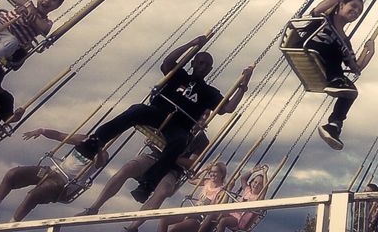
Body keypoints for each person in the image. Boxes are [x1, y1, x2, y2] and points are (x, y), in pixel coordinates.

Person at [73, 36, 250, 203]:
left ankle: (148, 184)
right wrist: (191, 44)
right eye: (200, 63)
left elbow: (228, 108)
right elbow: (167, 62)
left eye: (207, 66)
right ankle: (95, 142)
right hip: (158, 113)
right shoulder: (179, 74)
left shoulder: (209, 92)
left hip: (179, 125)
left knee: (180, 141)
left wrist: (242, 86)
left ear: (210, 70)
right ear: (193, 63)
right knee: (136, 110)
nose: (203, 67)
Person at [0, 126, 108, 223]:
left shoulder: (103, 154)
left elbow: (100, 163)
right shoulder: (82, 139)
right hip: (52, 171)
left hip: (64, 184)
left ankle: (10, 226)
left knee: (33, 195)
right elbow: (59, 135)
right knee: (12, 174)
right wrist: (42, 130)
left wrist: (98, 150)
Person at [79, 117, 213, 219]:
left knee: (163, 191)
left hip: (173, 169)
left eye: (206, 116)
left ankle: (133, 226)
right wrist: (153, 141)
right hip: (154, 157)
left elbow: (192, 163)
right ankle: (94, 207)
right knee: (127, 168)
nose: (203, 118)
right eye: (202, 115)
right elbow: (157, 137)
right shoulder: (176, 125)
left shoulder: (201, 140)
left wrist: (171, 156)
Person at [305, 0, 376, 151]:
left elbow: (355, 67)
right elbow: (316, 10)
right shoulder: (323, 20)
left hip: (329, 70)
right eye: (354, 6)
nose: (356, 12)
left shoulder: (345, 41)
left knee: (352, 92)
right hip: (313, 53)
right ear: (342, 5)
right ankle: (335, 81)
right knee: (334, 46)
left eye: (360, 10)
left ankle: (333, 126)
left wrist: (370, 52)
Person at [156, 161, 229, 232]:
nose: (212, 174)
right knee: (164, 220)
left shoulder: (221, 191)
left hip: (199, 218)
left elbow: (220, 209)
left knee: (174, 229)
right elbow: (191, 180)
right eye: (211, 172)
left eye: (215, 172)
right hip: (192, 211)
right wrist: (203, 170)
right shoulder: (207, 182)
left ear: (222, 174)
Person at [200, 168, 268, 232]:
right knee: (212, 215)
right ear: (252, 182)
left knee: (223, 221)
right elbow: (243, 178)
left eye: (260, 184)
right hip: (232, 213)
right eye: (255, 182)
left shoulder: (258, 198)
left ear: (262, 187)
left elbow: (265, 188)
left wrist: (265, 174)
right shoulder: (247, 190)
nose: (256, 185)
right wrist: (252, 170)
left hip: (240, 221)